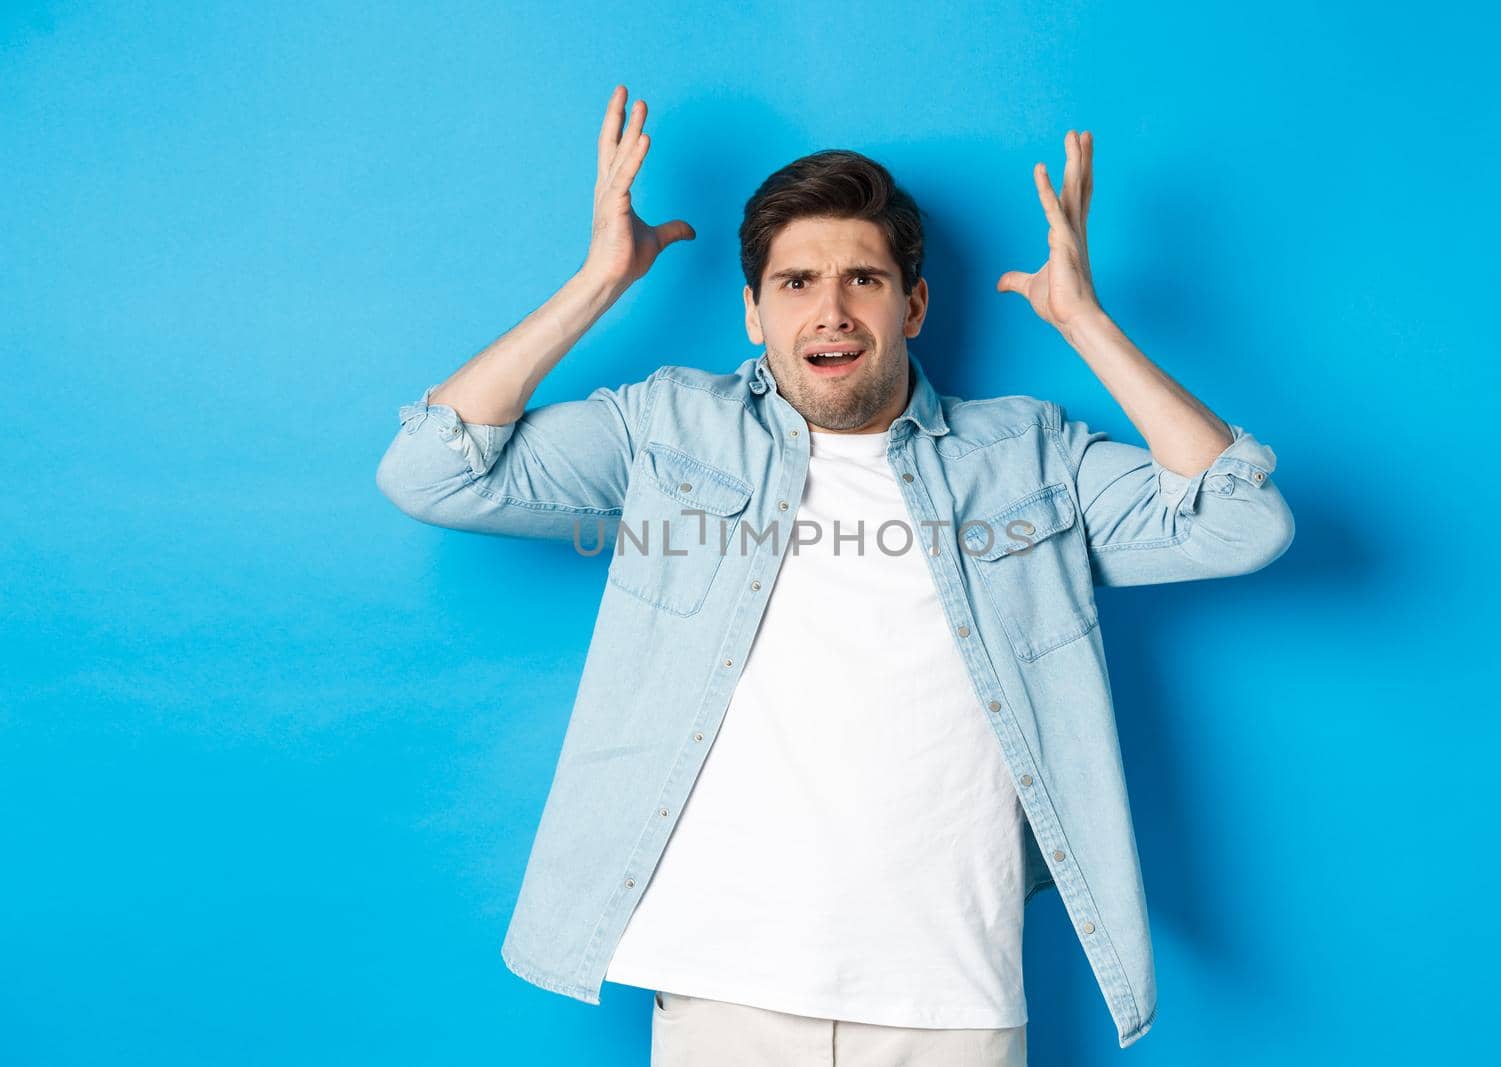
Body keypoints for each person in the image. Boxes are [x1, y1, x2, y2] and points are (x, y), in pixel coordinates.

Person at [375, 84, 1293, 1065]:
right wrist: (602, 280)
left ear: (914, 302)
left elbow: (1241, 521)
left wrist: (1085, 324)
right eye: (796, 281)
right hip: (723, 971)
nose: (831, 308)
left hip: (949, 984)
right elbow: (428, 469)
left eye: (862, 278)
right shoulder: (669, 428)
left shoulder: (1024, 453)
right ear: (754, 309)